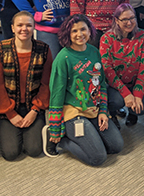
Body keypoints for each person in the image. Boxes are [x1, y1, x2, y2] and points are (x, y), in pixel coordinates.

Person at [43, 14, 124, 166]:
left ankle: (90, 133)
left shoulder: (94, 52)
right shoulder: (63, 58)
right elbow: (56, 95)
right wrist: (55, 128)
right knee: (98, 158)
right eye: (74, 31)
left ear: (90, 30)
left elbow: (101, 85)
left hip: (93, 109)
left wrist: (103, 111)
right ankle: (63, 141)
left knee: (116, 146)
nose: (79, 34)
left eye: (83, 29)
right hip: (74, 112)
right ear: (67, 34)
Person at [0, 11, 52, 161]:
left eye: (28, 25)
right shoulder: (0, 49)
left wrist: (35, 110)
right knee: (11, 153)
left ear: (34, 27)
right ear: (12, 28)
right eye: (20, 25)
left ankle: (28, 131)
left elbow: (46, 83)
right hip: (7, 107)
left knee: (35, 150)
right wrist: (10, 114)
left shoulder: (44, 49)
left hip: (32, 107)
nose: (24, 29)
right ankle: (9, 131)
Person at [100, 3, 144, 127]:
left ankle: (132, 113)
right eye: (124, 19)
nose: (129, 22)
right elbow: (107, 70)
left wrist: (137, 95)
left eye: (132, 18)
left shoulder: (143, 36)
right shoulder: (106, 38)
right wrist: (126, 94)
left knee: (141, 107)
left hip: (134, 83)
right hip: (115, 85)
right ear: (116, 20)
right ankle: (112, 114)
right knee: (117, 101)